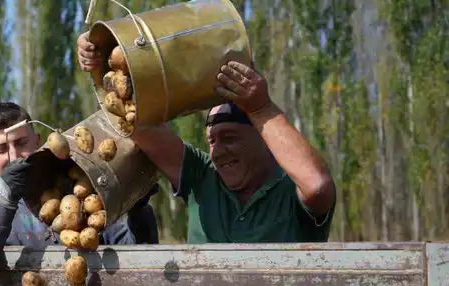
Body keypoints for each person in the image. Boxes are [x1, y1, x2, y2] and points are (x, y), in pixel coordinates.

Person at [76, 33, 336, 244]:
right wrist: (101, 60)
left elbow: (318, 186)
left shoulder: (290, 191)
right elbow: (137, 123)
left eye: (230, 138)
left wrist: (260, 108)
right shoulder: (202, 177)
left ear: (264, 137)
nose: (218, 151)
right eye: (212, 141)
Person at [0, 102, 159, 282]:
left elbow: (137, 257)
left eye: (21, 143)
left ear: (38, 141)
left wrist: (138, 209)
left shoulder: (80, 191)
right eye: (1, 149)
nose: (14, 157)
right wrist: (5, 196)